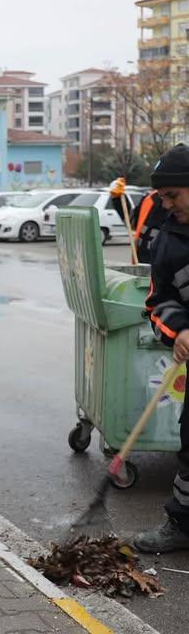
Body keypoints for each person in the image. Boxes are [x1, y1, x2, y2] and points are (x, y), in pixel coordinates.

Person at [135, 144, 189, 552]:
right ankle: (182, 524)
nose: (168, 205)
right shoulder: (167, 241)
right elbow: (158, 301)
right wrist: (180, 330)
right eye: (162, 198)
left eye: (174, 195)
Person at [131, 190, 167, 264]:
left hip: (161, 265)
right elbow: (132, 222)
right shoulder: (149, 198)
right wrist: (117, 199)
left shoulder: (178, 201)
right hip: (141, 261)